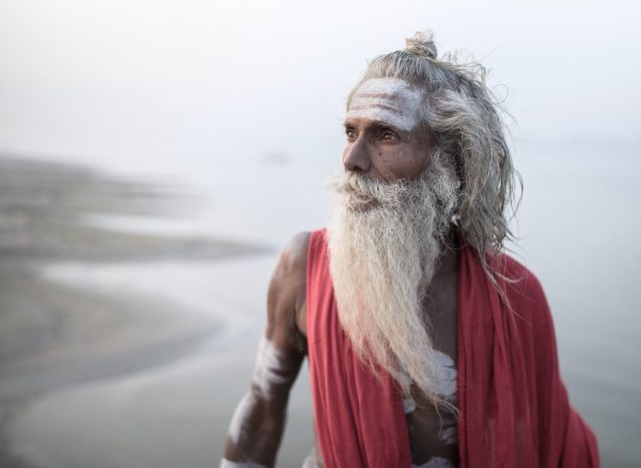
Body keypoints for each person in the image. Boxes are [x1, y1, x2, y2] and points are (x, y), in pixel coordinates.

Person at [220, 31, 599, 468]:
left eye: (385, 136)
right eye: (350, 132)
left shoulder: (515, 296)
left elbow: (548, 432)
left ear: (449, 162)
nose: (352, 159)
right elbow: (263, 406)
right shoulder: (305, 265)